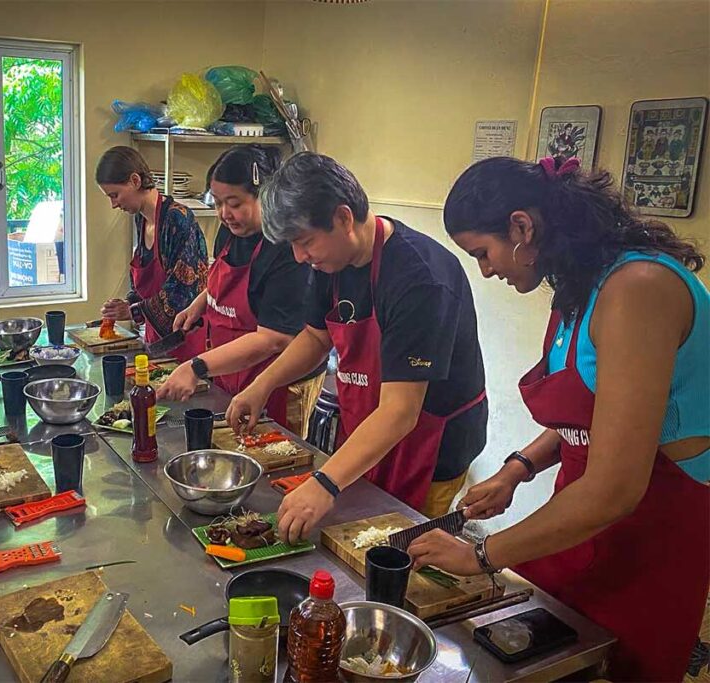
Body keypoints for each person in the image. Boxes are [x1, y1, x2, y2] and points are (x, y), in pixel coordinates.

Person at [408, 155, 709, 682]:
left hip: (652, 525)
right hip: (580, 510)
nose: (486, 269)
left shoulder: (637, 290)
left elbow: (616, 488)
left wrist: (481, 555)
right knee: (543, 655)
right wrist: (517, 468)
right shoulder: (579, 287)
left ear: (522, 227)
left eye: (484, 252)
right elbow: (593, 413)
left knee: (618, 667)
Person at [226, 152, 488, 540]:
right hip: (371, 424)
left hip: (429, 445)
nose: (300, 257)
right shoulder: (330, 262)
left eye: (305, 242)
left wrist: (326, 483)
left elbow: (401, 412)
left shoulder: (420, 279)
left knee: (400, 547)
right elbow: (316, 338)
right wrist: (260, 387)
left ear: (343, 218)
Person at [157, 146, 325, 431]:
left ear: (265, 196)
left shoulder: (286, 248)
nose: (224, 214)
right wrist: (200, 303)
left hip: (278, 382)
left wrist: (195, 366)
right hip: (232, 370)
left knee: (274, 463)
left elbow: (272, 339)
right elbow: (221, 280)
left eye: (234, 203)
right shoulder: (230, 231)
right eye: (218, 203)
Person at [96, 146, 208, 361]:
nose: (113, 204)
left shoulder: (177, 219)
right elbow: (143, 285)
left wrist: (134, 312)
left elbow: (184, 292)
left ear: (135, 181)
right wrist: (127, 304)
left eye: (115, 195)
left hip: (184, 341)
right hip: (155, 340)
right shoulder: (142, 218)